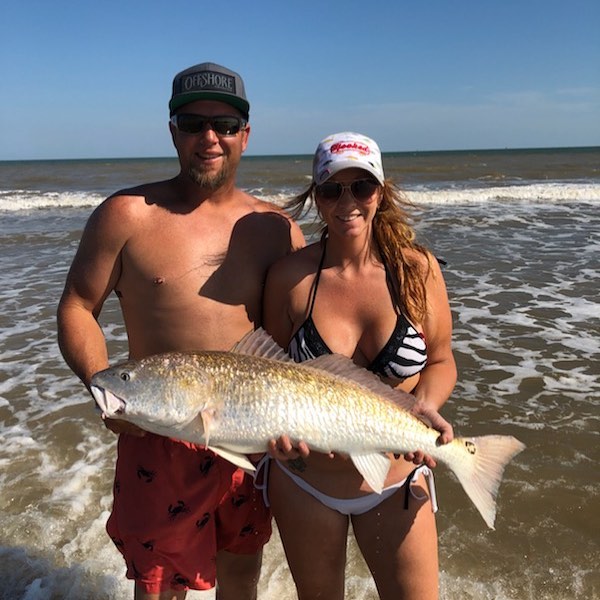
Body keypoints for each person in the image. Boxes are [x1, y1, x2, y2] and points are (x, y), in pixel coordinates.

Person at [57, 62, 304, 600]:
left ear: (246, 133)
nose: (209, 137)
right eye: (193, 123)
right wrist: (102, 387)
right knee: (159, 587)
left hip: (249, 436)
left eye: (225, 124)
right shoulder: (126, 216)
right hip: (156, 436)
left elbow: (300, 339)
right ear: (172, 130)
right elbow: (78, 305)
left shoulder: (277, 228)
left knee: (241, 576)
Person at [263, 132, 457, 600]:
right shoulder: (291, 278)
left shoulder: (418, 270)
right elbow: (267, 374)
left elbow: (442, 361)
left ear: (381, 192)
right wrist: (272, 438)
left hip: (396, 479)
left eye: (361, 188)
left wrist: (422, 406)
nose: (346, 202)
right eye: (331, 190)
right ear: (316, 198)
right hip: (306, 483)